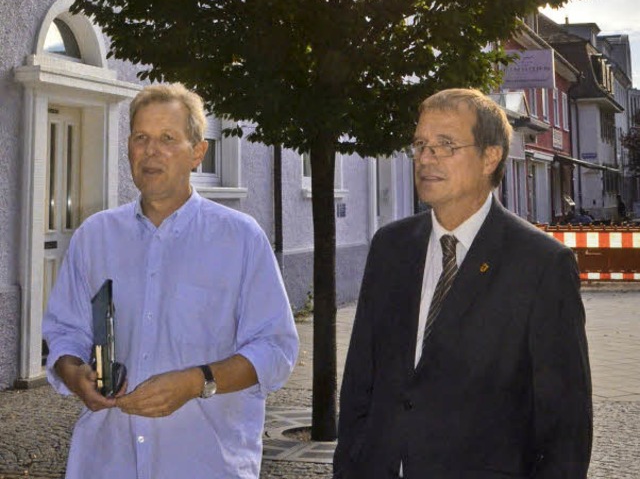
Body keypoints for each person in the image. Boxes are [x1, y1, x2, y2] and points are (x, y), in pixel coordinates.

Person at [44, 82, 299, 479]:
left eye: (167, 138)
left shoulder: (241, 239)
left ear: (198, 153)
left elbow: (275, 349)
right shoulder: (94, 237)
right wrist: (74, 373)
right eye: (141, 137)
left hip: (206, 462)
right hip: (106, 461)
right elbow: (64, 331)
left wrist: (197, 382)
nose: (150, 151)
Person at [334, 88, 592, 479]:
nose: (425, 158)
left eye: (445, 145)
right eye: (420, 144)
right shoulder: (390, 247)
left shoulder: (541, 264)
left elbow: (566, 431)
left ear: (490, 157)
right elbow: (359, 386)